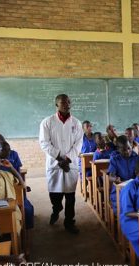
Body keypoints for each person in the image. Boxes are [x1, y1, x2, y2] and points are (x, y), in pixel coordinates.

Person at [39, 94, 83, 234]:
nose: (66, 104)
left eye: (68, 101)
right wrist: (59, 158)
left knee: (70, 197)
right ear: (56, 104)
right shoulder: (47, 122)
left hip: (70, 164)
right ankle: (56, 209)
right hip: (54, 164)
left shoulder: (76, 123)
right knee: (55, 195)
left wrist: (68, 159)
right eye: (62, 102)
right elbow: (44, 143)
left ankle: (69, 222)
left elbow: (78, 144)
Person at [0, 141, 35, 231]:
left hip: (11, 194)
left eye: (9, 150)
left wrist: (11, 168)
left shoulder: (6, 173)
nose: (8, 152)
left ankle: (24, 231)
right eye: (4, 150)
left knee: (26, 209)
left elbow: (20, 179)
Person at [0, 150, 23, 234]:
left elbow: (21, 184)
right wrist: (3, 201)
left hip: (10, 212)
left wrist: (11, 168)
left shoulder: (4, 174)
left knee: (12, 228)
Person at [108, 135, 139, 215]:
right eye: (124, 149)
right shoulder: (115, 159)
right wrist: (115, 179)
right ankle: (124, 224)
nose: (127, 151)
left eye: (129, 148)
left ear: (131, 146)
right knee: (124, 206)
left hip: (134, 187)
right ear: (118, 149)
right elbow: (110, 176)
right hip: (119, 190)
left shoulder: (136, 157)